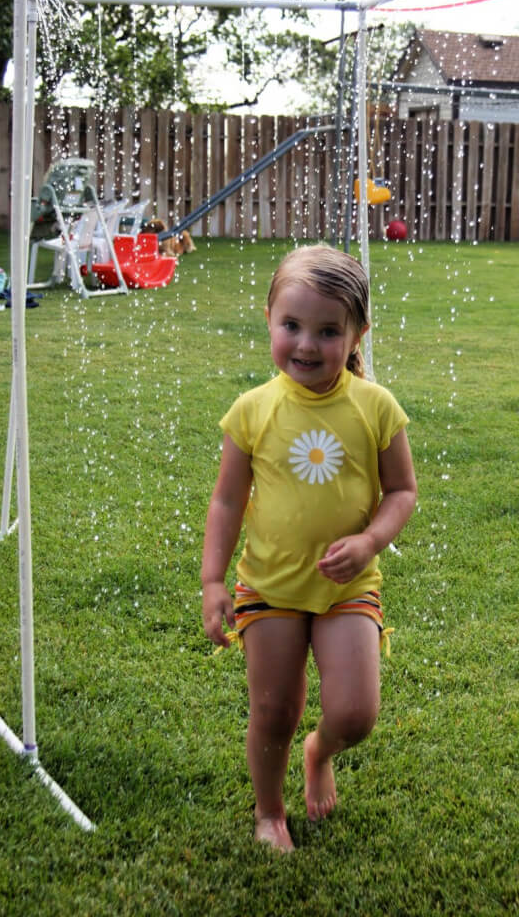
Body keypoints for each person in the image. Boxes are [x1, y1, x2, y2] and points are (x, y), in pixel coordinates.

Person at [201, 244, 416, 852]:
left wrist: (371, 538)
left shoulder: (376, 408)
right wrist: (214, 582)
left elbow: (402, 491)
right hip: (268, 587)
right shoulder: (252, 412)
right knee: (274, 712)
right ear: (268, 317)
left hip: (347, 586)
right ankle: (270, 813)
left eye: (327, 331)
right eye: (291, 325)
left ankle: (320, 752)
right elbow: (225, 502)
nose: (306, 344)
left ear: (357, 335)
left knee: (355, 714)